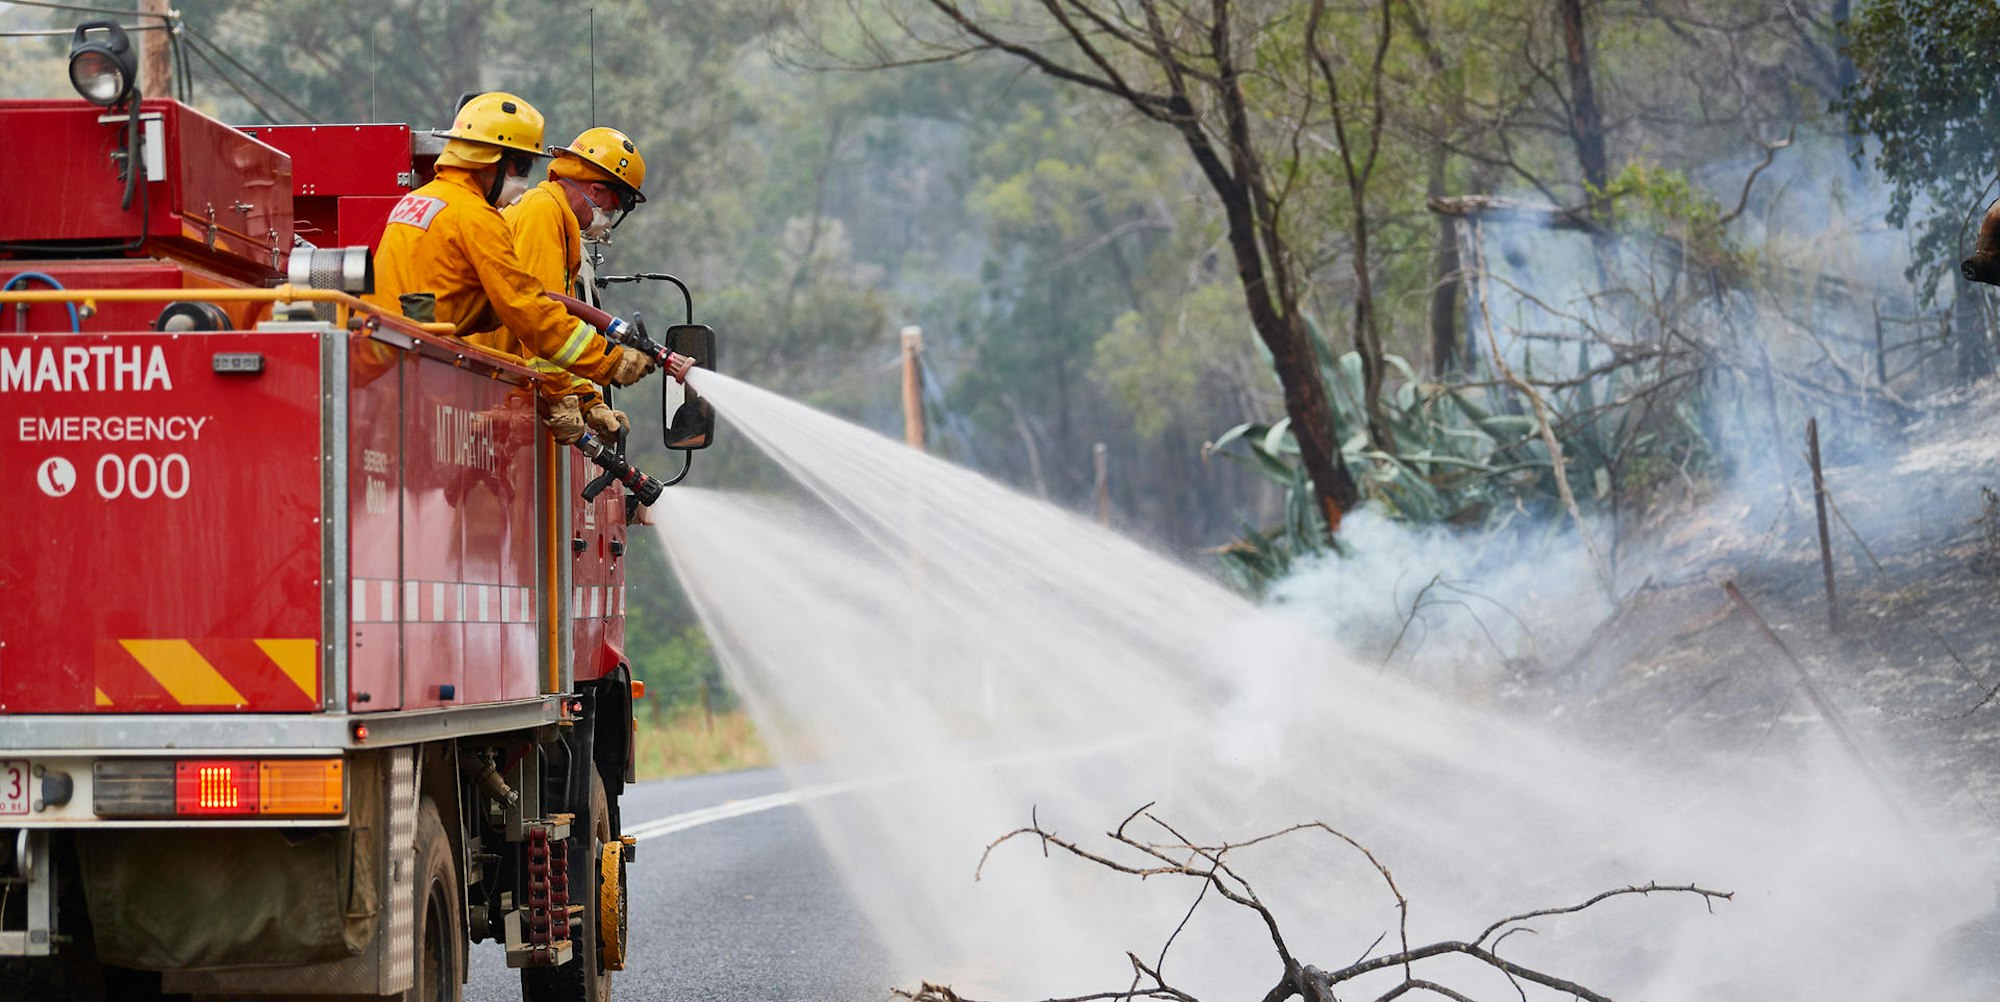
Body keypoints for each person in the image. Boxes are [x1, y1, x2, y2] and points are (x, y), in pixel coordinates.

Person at [366, 92, 659, 443]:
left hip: (392, 374)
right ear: (490, 159)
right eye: (522, 166)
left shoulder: (420, 200)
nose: (524, 179)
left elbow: (484, 304)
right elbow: (528, 310)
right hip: (428, 385)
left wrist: (585, 399)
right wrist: (610, 361)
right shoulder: (475, 216)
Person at [496, 126, 680, 438]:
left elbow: (562, 333)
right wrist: (559, 397)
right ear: (595, 190)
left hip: (505, 393)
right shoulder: (542, 211)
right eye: (616, 204)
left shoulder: (556, 220)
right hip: (496, 392)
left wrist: (589, 402)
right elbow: (540, 322)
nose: (610, 216)